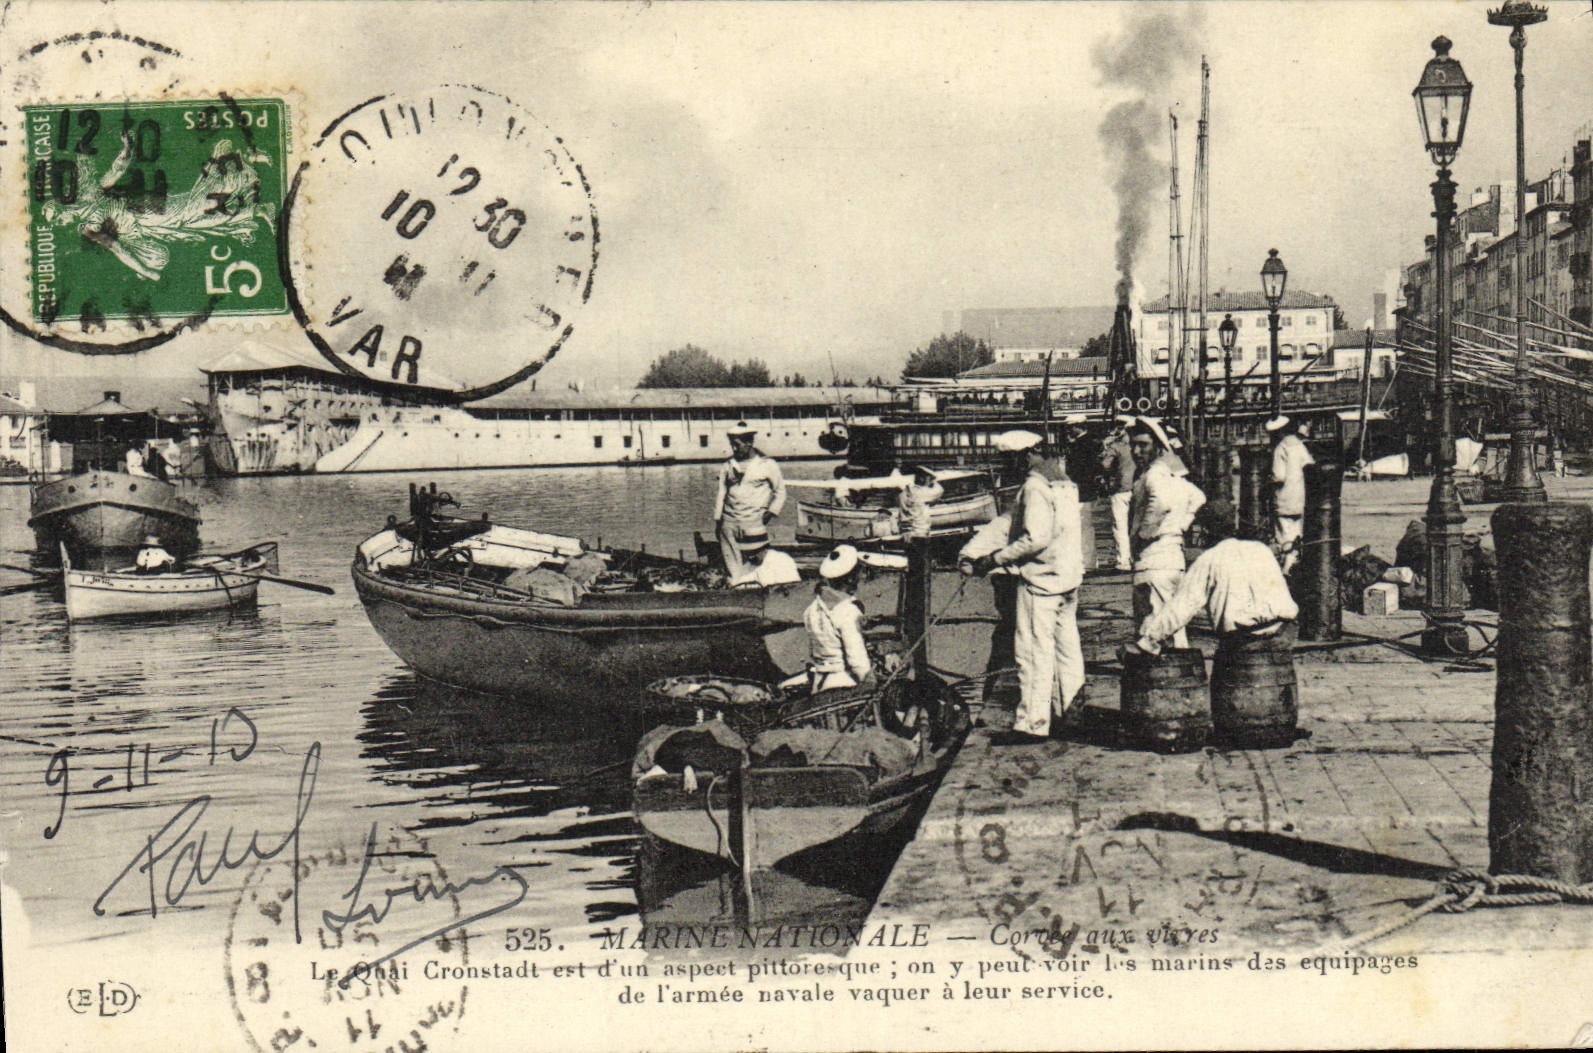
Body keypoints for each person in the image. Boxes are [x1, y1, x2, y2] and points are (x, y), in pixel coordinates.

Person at [968, 431, 1084, 740]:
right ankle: (1070, 712)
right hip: (1068, 577)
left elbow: (1035, 537)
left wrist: (995, 559)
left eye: (1008, 460)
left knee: (1033, 651)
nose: (1006, 467)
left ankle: (1032, 724)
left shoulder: (1034, 487)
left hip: (1042, 580)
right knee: (1067, 651)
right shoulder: (1064, 482)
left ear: (1021, 457)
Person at [1122, 517, 1299, 657]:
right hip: (1285, 633)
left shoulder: (1209, 559)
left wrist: (1148, 641)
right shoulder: (1261, 549)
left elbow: (1181, 608)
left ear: (1206, 532)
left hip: (1246, 641)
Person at [1128, 417, 1206, 648]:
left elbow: (1161, 503)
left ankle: (1163, 677)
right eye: (1133, 445)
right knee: (1172, 624)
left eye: (1143, 445)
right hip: (1172, 557)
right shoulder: (1170, 474)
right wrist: (1181, 525)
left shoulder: (1153, 475)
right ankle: (1179, 673)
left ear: (1158, 447)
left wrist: (1146, 533)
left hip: (1154, 558)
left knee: (1154, 625)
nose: (1136, 451)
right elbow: (1198, 497)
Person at [795, 544, 873, 693]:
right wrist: (869, 681)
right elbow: (857, 660)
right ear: (851, 578)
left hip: (819, 683)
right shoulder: (848, 611)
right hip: (843, 684)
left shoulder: (811, 609)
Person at [713, 424, 786, 579]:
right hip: (729, 523)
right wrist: (718, 520)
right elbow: (722, 493)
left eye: (737, 444)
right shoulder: (727, 465)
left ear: (749, 443)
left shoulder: (767, 465)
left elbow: (780, 492)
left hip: (753, 523)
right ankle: (738, 591)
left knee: (757, 564)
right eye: (732, 444)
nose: (734, 448)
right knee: (732, 567)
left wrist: (771, 513)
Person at [1267, 415, 1314, 574]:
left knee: (1284, 536)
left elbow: (1279, 476)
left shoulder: (1281, 449)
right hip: (1299, 499)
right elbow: (1309, 467)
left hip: (1283, 500)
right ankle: (1296, 565)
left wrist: (1268, 483)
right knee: (1296, 535)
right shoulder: (1300, 446)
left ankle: (1287, 570)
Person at [1100, 415, 1137, 571]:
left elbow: (1104, 465)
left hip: (1120, 489)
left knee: (1120, 526)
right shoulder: (1138, 446)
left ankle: (1123, 561)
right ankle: (1136, 557)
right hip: (1137, 488)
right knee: (1136, 525)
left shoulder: (1116, 446)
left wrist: (1105, 447)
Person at [728, 527, 801, 588]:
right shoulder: (756, 563)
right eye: (748, 552)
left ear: (764, 548)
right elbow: (745, 580)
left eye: (754, 552)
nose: (750, 557)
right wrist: (730, 582)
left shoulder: (781, 560)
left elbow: (790, 588)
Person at [898, 465, 944, 540]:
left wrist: (905, 530)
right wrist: (933, 480)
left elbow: (902, 513)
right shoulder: (924, 492)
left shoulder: (905, 492)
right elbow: (940, 490)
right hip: (919, 533)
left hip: (911, 533)